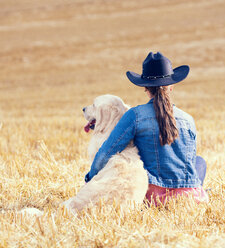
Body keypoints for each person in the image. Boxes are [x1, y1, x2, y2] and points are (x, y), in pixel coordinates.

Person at [85, 52, 208, 206]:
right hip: (187, 195)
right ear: (171, 86)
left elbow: (107, 151)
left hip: (151, 195)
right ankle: (196, 192)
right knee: (199, 162)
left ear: (145, 88)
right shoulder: (188, 119)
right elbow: (188, 161)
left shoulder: (134, 115)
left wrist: (90, 178)